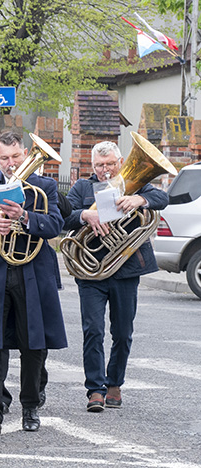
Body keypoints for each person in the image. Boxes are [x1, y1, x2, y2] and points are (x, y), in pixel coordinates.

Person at [0, 131, 67, 438]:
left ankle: (30, 407)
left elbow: (56, 226)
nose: (11, 164)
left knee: (33, 344)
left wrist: (24, 216)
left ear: (25, 154)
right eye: (5, 158)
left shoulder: (45, 186)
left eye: (16, 157)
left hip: (32, 273)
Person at [64, 141, 168, 412]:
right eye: (99, 165)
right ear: (92, 165)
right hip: (91, 271)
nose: (105, 170)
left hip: (126, 269)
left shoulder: (136, 184)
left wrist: (139, 199)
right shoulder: (82, 188)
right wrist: (85, 215)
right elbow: (64, 215)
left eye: (110, 164)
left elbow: (163, 199)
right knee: (93, 331)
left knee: (122, 332)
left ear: (120, 162)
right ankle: (95, 390)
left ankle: (114, 384)